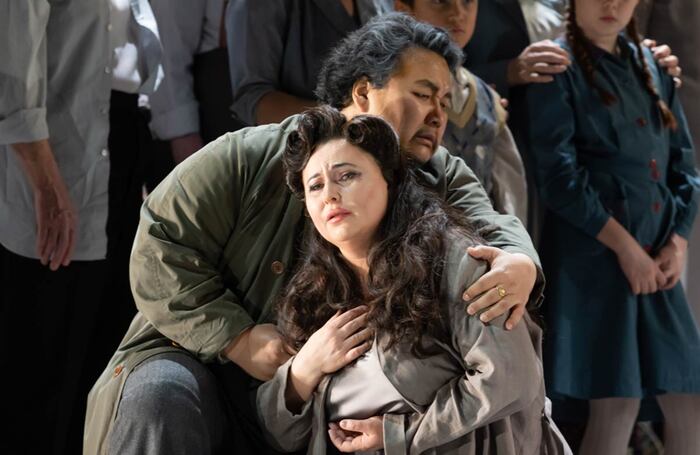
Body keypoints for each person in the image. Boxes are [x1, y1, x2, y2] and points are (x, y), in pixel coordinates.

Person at [84, 13, 543, 454]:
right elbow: (159, 243)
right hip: (199, 355)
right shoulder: (250, 154)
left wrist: (520, 261)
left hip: (312, 388)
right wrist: (237, 338)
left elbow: (496, 227)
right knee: (161, 396)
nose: (438, 115)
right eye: (423, 94)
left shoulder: (435, 170)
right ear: (364, 93)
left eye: (445, 102)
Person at [256, 106, 570, 454]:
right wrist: (303, 371)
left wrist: (400, 434)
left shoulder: (451, 259)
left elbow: (511, 379)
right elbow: (280, 433)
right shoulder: (311, 294)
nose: (329, 194)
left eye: (347, 176)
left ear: (388, 181)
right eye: (315, 185)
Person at [526, 1, 700, 454]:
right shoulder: (557, 66)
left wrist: (678, 242)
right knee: (615, 402)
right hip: (598, 260)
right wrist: (625, 249)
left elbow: (685, 165)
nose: (611, 5)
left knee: (687, 395)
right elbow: (560, 180)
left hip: (658, 254)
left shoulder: (651, 64)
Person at [0, 2, 161, 454]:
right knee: (40, 357)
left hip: (123, 140)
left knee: (99, 350)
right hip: (54, 154)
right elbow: (13, 69)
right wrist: (47, 185)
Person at [464, 0, 682, 245]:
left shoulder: (636, 54)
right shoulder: (472, 7)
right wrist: (508, 72)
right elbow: (443, 64)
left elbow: (681, 160)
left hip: (618, 213)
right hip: (497, 159)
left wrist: (645, 61)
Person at [395, 0, 527, 222]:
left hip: (476, 240)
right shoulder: (391, 91)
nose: (457, 13)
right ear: (404, 8)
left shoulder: (487, 100)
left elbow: (510, 195)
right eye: (440, 2)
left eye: (467, 2)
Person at [226, 0, 391, 126]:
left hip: (378, 151)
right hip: (300, 157)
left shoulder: (380, 4)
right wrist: (345, 117)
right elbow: (254, 99)